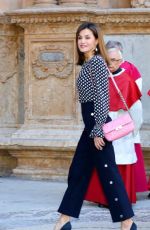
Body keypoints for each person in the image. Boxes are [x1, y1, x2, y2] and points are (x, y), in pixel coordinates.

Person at [54, 22, 137, 230]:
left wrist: (99, 128)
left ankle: (127, 221)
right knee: (78, 172)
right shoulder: (89, 63)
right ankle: (64, 220)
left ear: (97, 41)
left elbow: (102, 97)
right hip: (90, 126)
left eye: (87, 37)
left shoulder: (98, 62)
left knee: (108, 173)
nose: (82, 41)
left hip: (97, 125)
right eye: (80, 37)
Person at [85, 47, 142, 206]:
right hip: (101, 125)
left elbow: (136, 109)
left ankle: (120, 198)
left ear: (121, 61)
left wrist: (132, 131)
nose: (111, 64)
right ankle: (104, 199)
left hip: (121, 128)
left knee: (119, 162)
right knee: (103, 162)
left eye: (115, 60)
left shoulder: (127, 80)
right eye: (108, 60)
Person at [106, 40, 148, 194]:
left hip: (119, 121)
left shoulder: (126, 72)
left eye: (116, 59)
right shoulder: (126, 71)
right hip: (124, 122)